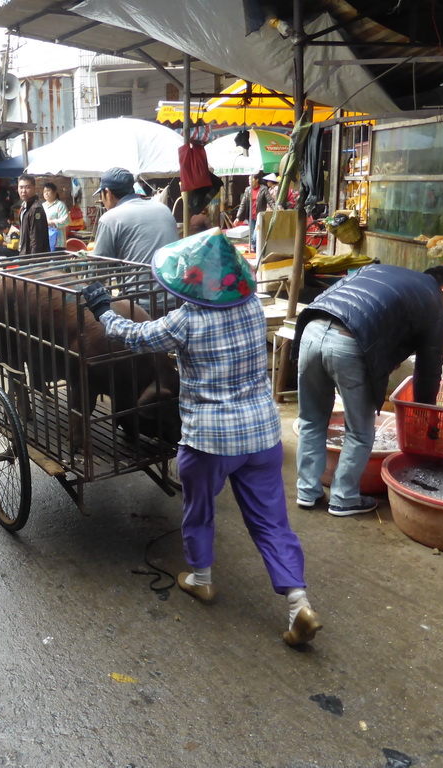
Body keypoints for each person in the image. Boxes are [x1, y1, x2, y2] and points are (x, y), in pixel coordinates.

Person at [79, 230, 321, 647]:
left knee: (199, 509)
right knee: (271, 522)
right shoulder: (251, 308)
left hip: (209, 439)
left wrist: (102, 309)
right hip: (262, 434)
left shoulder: (186, 320)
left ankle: (201, 578)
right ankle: (298, 603)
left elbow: (134, 337)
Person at [292, 264, 443, 515]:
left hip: (312, 327)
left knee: (311, 419)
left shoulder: (378, 271)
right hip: (349, 342)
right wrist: (426, 413)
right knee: (360, 432)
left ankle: (307, 491)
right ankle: (344, 498)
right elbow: (428, 369)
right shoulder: (436, 303)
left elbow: (374, 315)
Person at [91, 167, 178, 264]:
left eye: (101, 195)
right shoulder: (164, 209)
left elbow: (97, 269)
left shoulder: (109, 219)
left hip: (139, 279)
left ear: (107, 193)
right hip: (171, 278)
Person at [234, 171, 276, 252]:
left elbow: (270, 201)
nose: (249, 181)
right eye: (248, 180)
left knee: (255, 236)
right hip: (250, 217)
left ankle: (259, 252)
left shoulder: (263, 189)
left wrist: (275, 210)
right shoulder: (247, 190)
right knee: (252, 238)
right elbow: (242, 204)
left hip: (259, 216)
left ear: (256, 180)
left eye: (251, 179)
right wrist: (238, 217)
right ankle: (256, 252)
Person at [17, 174, 50, 255]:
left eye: (27, 187)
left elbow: (36, 238)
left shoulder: (35, 208)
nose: (23, 191)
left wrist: (34, 261)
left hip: (33, 257)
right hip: (25, 253)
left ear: (34, 188)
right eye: (21, 187)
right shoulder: (24, 206)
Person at [42, 181, 69, 250]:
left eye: (48, 191)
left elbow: (66, 221)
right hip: (46, 241)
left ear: (54, 192)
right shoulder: (42, 206)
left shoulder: (60, 205)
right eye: (44, 191)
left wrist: (51, 222)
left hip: (58, 242)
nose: (46, 193)